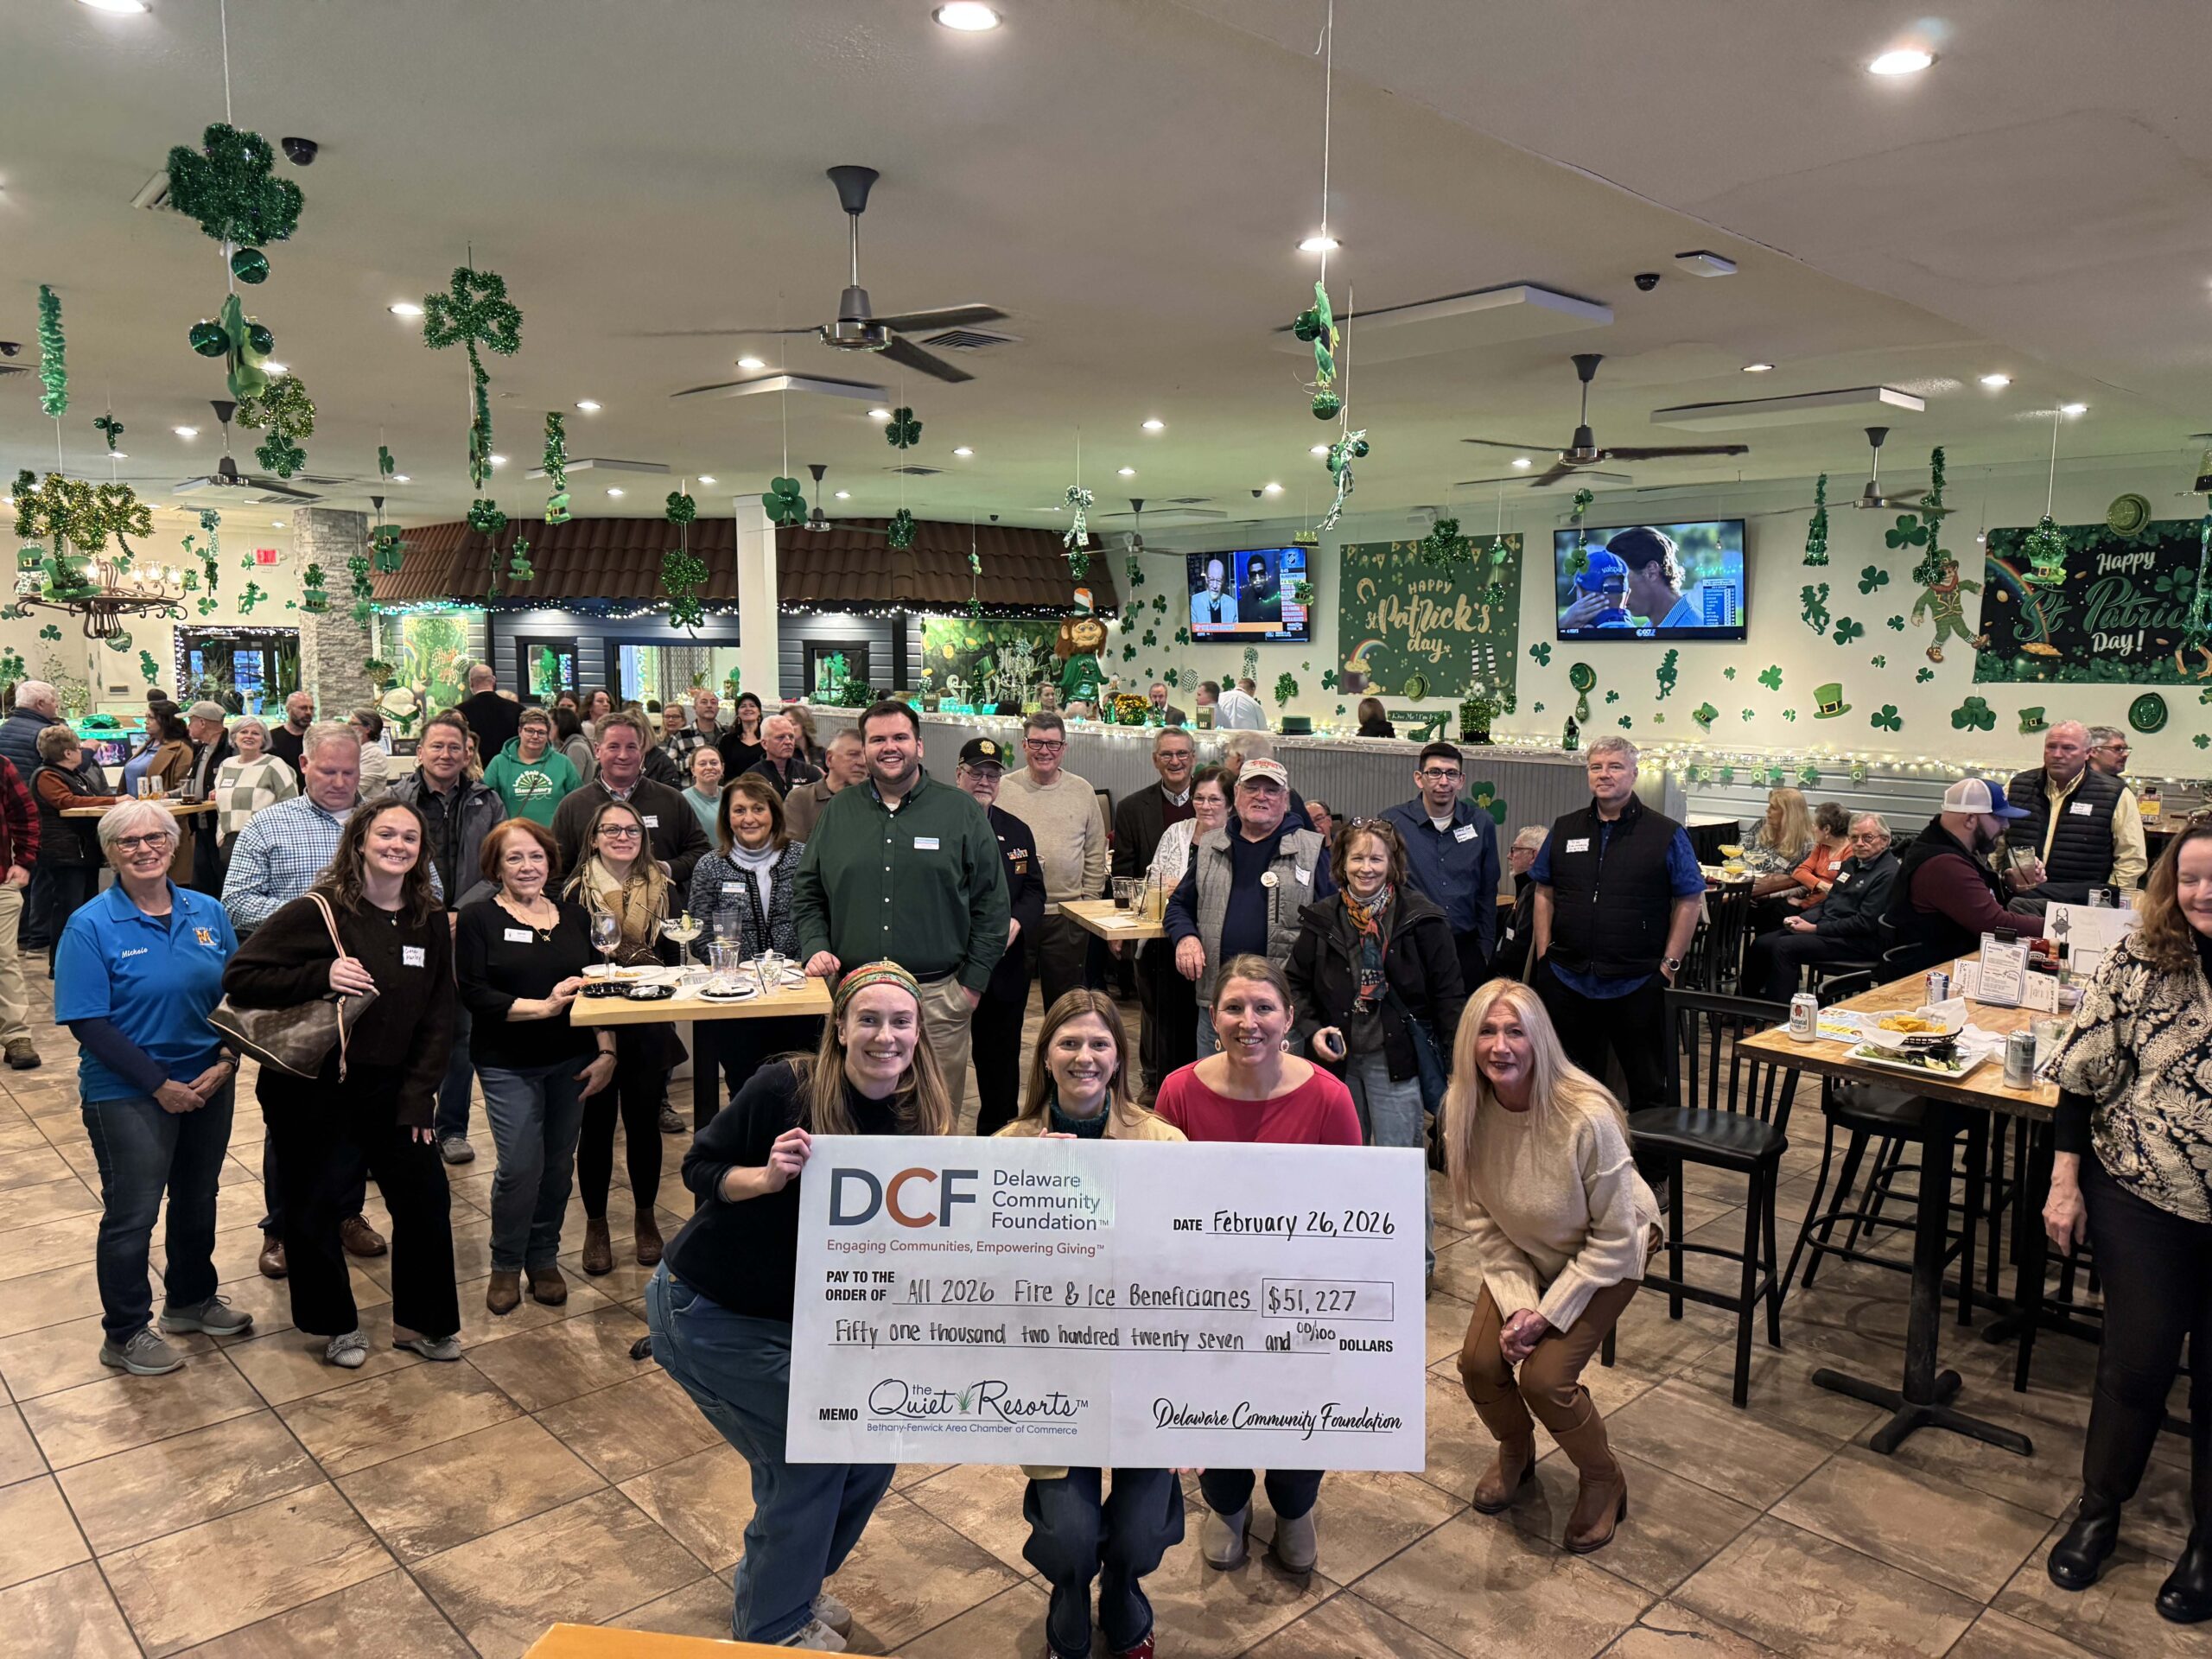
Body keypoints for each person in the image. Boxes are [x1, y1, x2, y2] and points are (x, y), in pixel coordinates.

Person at [647, 961, 951, 1649]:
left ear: (918, 1032)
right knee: (813, 1456)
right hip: (707, 1310)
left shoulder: (917, 1112)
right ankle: (773, 1629)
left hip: (803, 1321)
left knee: (871, 1444)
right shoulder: (786, 1087)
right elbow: (699, 1168)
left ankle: (792, 1586)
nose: (884, 1036)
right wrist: (764, 1177)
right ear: (839, 1028)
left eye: (900, 1022)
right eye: (867, 1020)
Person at [2042, 821, 2212, 1623]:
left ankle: (2208, 1542)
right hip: (2143, 1194)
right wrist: (2064, 1185)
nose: (2203, 893)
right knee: (2137, 1362)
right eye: (2190, 878)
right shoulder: (2140, 958)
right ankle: (2100, 1509)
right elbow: (2079, 1077)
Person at [222, 798, 461, 1369]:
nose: (397, 845)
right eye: (386, 834)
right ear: (359, 842)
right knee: (314, 1206)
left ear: (422, 851)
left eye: (410, 838)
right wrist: (321, 974)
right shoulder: (318, 910)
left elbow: (438, 1014)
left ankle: (421, 1323)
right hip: (312, 1090)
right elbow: (242, 976)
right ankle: (334, 1325)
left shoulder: (428, 919)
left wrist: (419, 1097)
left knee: (426, 1200)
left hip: (393, 1089)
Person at [1155, 955, 1361, 1573]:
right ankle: (1227, 1505)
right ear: (1213, 1016)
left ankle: (1295, 1508)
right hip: (1207, 1290)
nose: (1250, 1022)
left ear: (1289, 1018)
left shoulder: (1329, 1098)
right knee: (1216, 1396)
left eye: (1264, 1007)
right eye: (1234, 1008)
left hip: (1300, 1292)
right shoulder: (1178, 1091)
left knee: (1300, 1401)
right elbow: (1157, 1198)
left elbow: (1352, 1209)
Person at [996, 990, 1185, 1659]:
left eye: (1100, 1043)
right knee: (1070, 1537)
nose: (1085, 1056)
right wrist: (1028, 1192)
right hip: (1051, 1375)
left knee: (1139, 1531)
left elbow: (1193, 1271)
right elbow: (984, 1280)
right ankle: (1071, 1590)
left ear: (1120, 1057)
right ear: (1046, 1058)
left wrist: (1199, 1404)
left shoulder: (1164, 1142)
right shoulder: (1008, 1148)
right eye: (1069, 1043)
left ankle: (1125, 1586)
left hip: (1143, 1370)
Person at [1446, 980, 1661, 1555]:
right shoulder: (1463, 1110)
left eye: (1515, 1031)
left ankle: (1602, 1476)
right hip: (1528, 1246)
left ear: (1539, 1038)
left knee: (1545, 1380)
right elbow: (1483, 1222)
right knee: (1478, 1364)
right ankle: (1517, 1449)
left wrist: (1545, 1316)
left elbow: (1615, 1236)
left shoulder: (1586, 1116)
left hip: (1610, 1250)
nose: (1500, 1046)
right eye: (1487, 1031)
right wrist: (1520, 1303)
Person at [55, 799, 251, 1375]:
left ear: (174, 843)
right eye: (128, 841)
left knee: (198, 1197)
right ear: (110, 853)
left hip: (209, 1081)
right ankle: (124, 1333)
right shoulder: (90, 925)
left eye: (155, 838)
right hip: (127, 1091)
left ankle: (190, 1301)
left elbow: (238, 992)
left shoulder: (207, 911)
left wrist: (228, 1058)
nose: (144, 849)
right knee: (132, 1214)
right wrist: (159, 1083)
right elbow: (87, 1022)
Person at [222, 724, 384, 1276]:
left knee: (357, 1109)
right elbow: (236, 902)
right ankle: (283, 1227)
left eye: (349, 772)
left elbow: (425, 888)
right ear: (304, 766)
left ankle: (347, 1214)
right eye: (328, 771)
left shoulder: (382, 823)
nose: (339, 782)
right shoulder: (269, 824)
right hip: (297, 992)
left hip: (369, 992)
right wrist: (316, 920)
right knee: (291, 1117)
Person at [792, 700, 1008, 1110]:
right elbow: (808, 890)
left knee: (935, 1118)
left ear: (919, 746)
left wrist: (970, 986)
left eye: (899, 737)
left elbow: (992, 904)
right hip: (854, 997)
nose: (889, 747)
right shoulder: (839, 812)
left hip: (938, 999)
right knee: (851, 1114)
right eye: (877, 739)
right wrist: (815, 945)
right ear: (865, 749)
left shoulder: (960, 811)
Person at [1287, 816, 1466, 1275]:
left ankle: (1414, 1266)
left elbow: (1449, 995)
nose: (1366, 868)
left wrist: (1457, 1064)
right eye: (1357, 858)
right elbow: (1295, 983)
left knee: (1400, 1167)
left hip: (1396, 1062)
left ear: (1393, 864)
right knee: (1341, 1164)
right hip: (1339, 1064)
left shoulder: (1421, 918)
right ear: (1341, 863)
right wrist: (1312, 1029)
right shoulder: (1322, 917)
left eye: (1376, 858)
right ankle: (1348, 1259)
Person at [456, 817, 613, 1314]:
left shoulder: (575, 916)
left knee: (557, 1166)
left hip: (573, 1060)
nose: (527, 866)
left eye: (536, 856)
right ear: (496, 866)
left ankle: (543, 1258)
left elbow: (596, 987)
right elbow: (475, 994)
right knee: (520, 1167)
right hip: (508, 1063)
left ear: (550, 861)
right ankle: (506, 1263)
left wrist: (607, 1051)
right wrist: (543, 1008)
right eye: (514, 857)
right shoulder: (478, 918)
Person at [1529, 737, 1704, 1139]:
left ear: (1634, 774)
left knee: (1648, 1087)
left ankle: (1652, 1165)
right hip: (1569, 978)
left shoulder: (1665, 833)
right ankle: (1575, 1158)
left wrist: (1669, 966)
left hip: (1637, 980)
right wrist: (1544, 957)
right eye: (1596, 766)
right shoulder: (1566, 828)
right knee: (1571, 1083)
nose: (1604, 774)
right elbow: (1543, 891)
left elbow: (1690, 900)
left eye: (1615, 766)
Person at [566, 797, 683, 1272]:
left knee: (643, 1125)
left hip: (648, 1023)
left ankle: (645, 1217)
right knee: (595, 1129)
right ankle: (596, 1225)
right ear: (594, 839)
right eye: (611, 830)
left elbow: (673, 960)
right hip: (595, 1026)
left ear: (644, 838)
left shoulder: (664, 889)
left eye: (632, 830)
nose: (622, 837)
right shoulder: (574, 893)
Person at [390, 711, 507, 1165]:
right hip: (409, 926)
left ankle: (452, 1128)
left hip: (466, 929)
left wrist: (460, 913)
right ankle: (400, 1125)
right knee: (402, 1029)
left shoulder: (487, 802)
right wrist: (426, 910)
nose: (445, 754)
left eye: (454, 747)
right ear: (420, 752)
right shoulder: (394, 799)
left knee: (459, 1034)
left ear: (467, 753)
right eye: (436, 746)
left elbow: (499, 864)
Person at [1166, 758, 1332, 1058]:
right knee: (1214, 1082)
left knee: (1277, 1085)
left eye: (1271, 790)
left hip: (1280, 1007)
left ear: (1285, 799)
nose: (1261, 797)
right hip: (1218, 1002)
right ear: (1237, 794)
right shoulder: (1211, 846)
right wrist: (1186, 937)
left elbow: (1332, 923)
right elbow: (1179, 904)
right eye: (1252, 788)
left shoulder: (1311, 850)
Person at [685, 773, 821, 1129]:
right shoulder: (710, 866)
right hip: (737, 1003)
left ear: (773, 812)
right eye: (739, 810)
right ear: (727, 817)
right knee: (746, 1095)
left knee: (802, 1092)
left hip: (797, 998)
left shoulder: (802, 857)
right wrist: (733, 967)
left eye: (758, 809)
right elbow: (699, 931)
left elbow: (819, 914)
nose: (749, 818)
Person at [954, 737, 1046, 1135]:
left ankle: (998, 1136)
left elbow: (1034, 890)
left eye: (992, 775)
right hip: (952, 966)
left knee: (1001, 1059)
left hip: (1004, 969)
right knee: (941, 1056)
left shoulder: (1016, 830)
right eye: (976, 773)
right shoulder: (939, 823)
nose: (984, 782)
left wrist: (1017, 922)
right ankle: (933, 1134)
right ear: (958, 774)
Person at [998, 711, 1108, 1011]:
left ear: (1064, 748)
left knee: (1065, 1006)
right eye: (1036, 742)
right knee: (1007, 1004)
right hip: (1015, 915)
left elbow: (1095, 851)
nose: (1044, 751)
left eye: (1053, 744)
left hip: (1067, 915)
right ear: (1024, 745)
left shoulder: (1082, 791)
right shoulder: (1003, 788)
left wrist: (1088, 903)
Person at [1112, 728, 1197, 1098]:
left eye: (1182, 754)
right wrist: (1123, 930)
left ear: (1193, 758)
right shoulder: (1133, 807)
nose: (1175, 761)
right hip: (1150, 927)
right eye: (1167, 755)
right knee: (1153, 1008)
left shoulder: (1211, 804)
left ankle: (1190, 1081)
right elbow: (1124, 870)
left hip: (1197, 929)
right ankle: (1155, 1081)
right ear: (1155, 760)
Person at [1878, 777, 2032, 977]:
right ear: (1970, 819)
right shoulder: (1944, 865)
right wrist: (2059, 927)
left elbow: (1979, 909)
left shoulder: (1947, 848)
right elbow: (1997, 925)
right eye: (1998, 817)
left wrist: (2009, 885)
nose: (2006, 825)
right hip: (1927, 979)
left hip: (1940, 968)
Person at [1383, 741, 1503, 991]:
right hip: (1411, 948)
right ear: (1419, 778)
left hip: (1465, 949)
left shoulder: (1481, 824)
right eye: (1435, 772)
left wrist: (1485, 949)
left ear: (1461, 780)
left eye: (1451, 774)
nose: (1443, 781)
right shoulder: (1393, 822)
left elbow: (1488, 891)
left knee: (1463, 1016)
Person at [1741, 814, 1897, 1001]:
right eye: (1854, 838)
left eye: (1868, 837)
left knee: (1784, 947)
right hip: (1830, 929)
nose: (1859, 843)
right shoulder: (1851, 864)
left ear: (1884, 840)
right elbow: (1830, 900)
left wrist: (1815, 928)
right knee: (1762, 943)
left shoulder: (1888, 874)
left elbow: (1865, 923)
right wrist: (1804, 918)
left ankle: (1779, 1012)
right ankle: (1744, 1006)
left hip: (1858, 941)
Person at [550, 710, 709, 891]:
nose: (623, 755)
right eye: (614, 747)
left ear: (642, 751)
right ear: (597, 750)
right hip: (588, 909)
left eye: (631, 747)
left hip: (663, 905)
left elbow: (701, 852)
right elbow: (555, 870)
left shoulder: (671, 800)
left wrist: (667, 869)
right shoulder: (573, 806)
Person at [2005, 719, 2147, 908]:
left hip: (2082, 905)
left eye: (2068, 748)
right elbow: (1996, 843)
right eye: (2051, 747)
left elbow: (2131, 858)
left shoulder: (2115, 794)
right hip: (2019, 902)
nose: (2057, 754)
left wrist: (2109, 904)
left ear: (2088, 753)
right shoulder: (2017, 786)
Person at [1143, 766, 1227, 1087]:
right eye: (1199, 798)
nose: (1205, 806)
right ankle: (1171, 1091)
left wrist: (1178, 887)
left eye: (1214, 799)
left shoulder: (1235, 839)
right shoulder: (1177, 832)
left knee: (1209, 1031)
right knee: (1171, 1029)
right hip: (1172, 942)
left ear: (1230, 803)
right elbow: (1154, 882)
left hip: (1216, 951)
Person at [29, 723, 117, 951]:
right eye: (79, 748)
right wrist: (114, 801)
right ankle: (60, 961)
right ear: (68, 753)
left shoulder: (74, 775)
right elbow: (66, 801)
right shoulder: (47, 775)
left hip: (83, 851)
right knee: (68, 908)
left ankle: (85, 955)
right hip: (65, 854)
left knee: (87, 906)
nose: (82, 751)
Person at [0, 679, 63, 954]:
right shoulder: (45, 734)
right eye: (54, 701)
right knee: (41, 878)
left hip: (9, 825)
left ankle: (23, 935)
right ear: (40, 704)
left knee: (18, 879)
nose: (56, 706)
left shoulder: (4, 730)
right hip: (39, 816)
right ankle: (39, 937)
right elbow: (62, 768)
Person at [1750, 798, 1848, 934]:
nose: (1813, 829)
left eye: (1815, 825)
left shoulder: (1850, 852)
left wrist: (1804, 903)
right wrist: (1821, 885)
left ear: (1827, 829)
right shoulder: (1822, 846)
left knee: (1774, 913)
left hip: (1824, 907)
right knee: (1763, 908)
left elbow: (1837, 891)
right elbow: (1800, 872)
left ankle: (1769, 944)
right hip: (1810, 899)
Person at [209, 715, 297, 858]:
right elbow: (221, 806)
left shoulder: (274, 765)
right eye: (244, 732)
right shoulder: (226, 765)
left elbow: (291, 805)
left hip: (264, 842)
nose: (249, 736)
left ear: (264, 739)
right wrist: (221, 837)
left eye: (255, 733)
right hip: (229, 844)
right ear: (234, 737)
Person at [0, 743, 37, 1071]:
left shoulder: (1, 766)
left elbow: (25, 813)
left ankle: (16, 1036)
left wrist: (24, 861)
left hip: (1, 884)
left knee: (3, 958)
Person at [483, 704, 582, 827]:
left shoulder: (563, 763)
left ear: (548, 735)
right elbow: (485, 804)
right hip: (512, 836)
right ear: (520, 731)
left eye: (541, 732)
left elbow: (578, 802)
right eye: (529, 731)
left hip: (553, 836)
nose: (535, 736)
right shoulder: (499, 763)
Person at [1616, 526, 1706, 629]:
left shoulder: (1699, 630)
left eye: (1620, 579)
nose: (1616, 591)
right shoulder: (1647, 630)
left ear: (1651, 571)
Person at [785, 728, 863, 841]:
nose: (862, 762)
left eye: (866, 755)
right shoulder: (801, 799)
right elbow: (793, 849)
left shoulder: (877, 800)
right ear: (830, 759)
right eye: (853, 754)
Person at [1493, 825, 1547, 982]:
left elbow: (1520, 949)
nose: (1509, 856)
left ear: (1533, 855)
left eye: (1515, 849)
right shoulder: (1526, 890)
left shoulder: (1534, 894)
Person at [1739, 787, 1815, 884]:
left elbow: (1802, 882)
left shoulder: (1807, 845)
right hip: (1742, 884)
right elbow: (1738, 853)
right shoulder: (1761, 825)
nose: (1767, 810)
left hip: (1774, 891)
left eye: (1773, 808)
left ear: (1788, 813)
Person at [455, 661, 522, 763]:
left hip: (474, 766)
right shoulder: (517, 709)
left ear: (471, 682)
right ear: (493, 680)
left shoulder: (459, 712)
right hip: (508, 765)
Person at [747, 712, 823, 798]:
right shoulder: (752, 778)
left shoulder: (810, 773)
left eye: (791, 737)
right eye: (780, 737)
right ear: (764, 744)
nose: (788, 742)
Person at [267, 689, 316, 779]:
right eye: (303, 708)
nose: (308, 712)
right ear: (288, 709)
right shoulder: (271, 738)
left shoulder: (318, 737)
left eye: (311, 708)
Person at [717, 691, 767, 778]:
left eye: (752, 706)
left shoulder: (768, 738)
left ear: (759, 712)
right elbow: (722, 768)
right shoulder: (727, 740)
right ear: (737, 713)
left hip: (763, 785)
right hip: (734, 785)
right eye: (743, 706)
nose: (748, 709)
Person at [681, 743, 725, 838]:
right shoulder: (682, 800)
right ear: (693, 770)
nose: (709, 767)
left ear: (722, 768)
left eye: (714, 763)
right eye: (702, 764)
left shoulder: (731, 794)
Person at [347, 708, 390, 802]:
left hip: (364, 809)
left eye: (352, 724)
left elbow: (355, 790)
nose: (348, 727)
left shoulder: (374, 755)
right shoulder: (356, 750)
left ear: (368, 728)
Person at [660, 696, 707, 777]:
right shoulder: (656, 741)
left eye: (675, 717)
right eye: (667, 717)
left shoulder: (693, 738)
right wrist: (692, 761)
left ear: (683, 720)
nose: (671, 720)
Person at [552, 703, 596, 787]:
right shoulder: (567, 746)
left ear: (561, 726)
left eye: (550, 724)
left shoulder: (576, 748)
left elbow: (573, 784)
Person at [1190, 557, 1239, 629]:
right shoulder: (1196, 601)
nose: (1215, 586)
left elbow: (1236, 632)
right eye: (1212, 580)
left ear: (1223, 581)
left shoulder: (1232, 604)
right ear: (1206, 579)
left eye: (1218, 580)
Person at [1243, 552, 1282, 626]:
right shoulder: (1243, 604)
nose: (1257, 578)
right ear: (1248, 578)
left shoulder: (1278, 599)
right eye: (1253, 574)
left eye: (1261, 573)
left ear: (1266, 575)